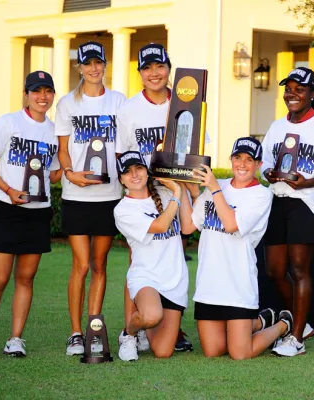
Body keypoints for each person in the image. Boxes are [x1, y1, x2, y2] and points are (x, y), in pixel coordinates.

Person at [179, 137, 294, 359]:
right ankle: (259, 321)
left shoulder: (262, 195)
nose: (242, 164)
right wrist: (180, 190)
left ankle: (281, 325)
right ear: (231, 159)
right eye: (237, 157)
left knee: (240, 353)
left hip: (238, 284)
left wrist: (213, 189)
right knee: (213, 351)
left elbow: (232, 224)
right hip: (209, 284)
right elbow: (189, 225)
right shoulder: (218, 185)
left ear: (258, 165)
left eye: (249, 159)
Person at [0, 71, 60, 358]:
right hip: (5, 207)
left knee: (26, 278)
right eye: (37, 91)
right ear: (26, 94)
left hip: (37, 211)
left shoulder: (53, 131)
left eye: (48, 91)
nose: (42, 96)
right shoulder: (8, 122)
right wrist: (9, 189)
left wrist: (74, 172)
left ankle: (15, 339)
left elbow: (53, 174)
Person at [115, 43, 193, 353]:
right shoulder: (130, 109)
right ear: (140, 74)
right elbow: (122, 153)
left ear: (168, 68)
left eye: (159, 67)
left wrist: (181, 186)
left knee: (175, 251)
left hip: (175, 187)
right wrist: (137, 186)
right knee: (139, 257)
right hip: (144, 188)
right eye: (147, 68)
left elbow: (195, 148)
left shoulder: (185, 104)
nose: (154, 73)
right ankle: (132, 331)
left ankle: (170, 324)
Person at [260, 67, 314, 356]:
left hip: (307, 203)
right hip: (278, 201)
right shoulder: (277, 126)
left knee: (298, 269)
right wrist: (268, 172)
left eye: (299, 89)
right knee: (275, 270)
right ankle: (301, 323)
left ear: (313, 94)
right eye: (288, 88)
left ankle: (296, 339)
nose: (292, 93)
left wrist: (306, 182)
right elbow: (264, 160)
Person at [55, 41, 126, 356]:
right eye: (88, 63)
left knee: (99, 264)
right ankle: (75, 332)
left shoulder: (119, 102)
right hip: (76, 195)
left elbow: (125, 148)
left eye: (99, 62)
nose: (94, 68)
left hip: (109, 196)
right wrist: (70, 173)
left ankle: (94, 326)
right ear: (79, 67)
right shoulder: (67, 104)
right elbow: (62, 149)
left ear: (105, 65)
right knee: (81, 265)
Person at [114, 151, 189, 361]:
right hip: (146, 277)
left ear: (147, 172)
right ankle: (129, 334)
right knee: (151, 315)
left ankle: (146, 331)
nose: (134, 175)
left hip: (174, 279)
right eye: (127, 172)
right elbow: (160, 225)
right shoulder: (123, 210)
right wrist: (177, 193)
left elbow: (189, 226)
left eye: (138, 168)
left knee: (163, 352)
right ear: (121, 179)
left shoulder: (165, 194)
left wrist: (185, 188)